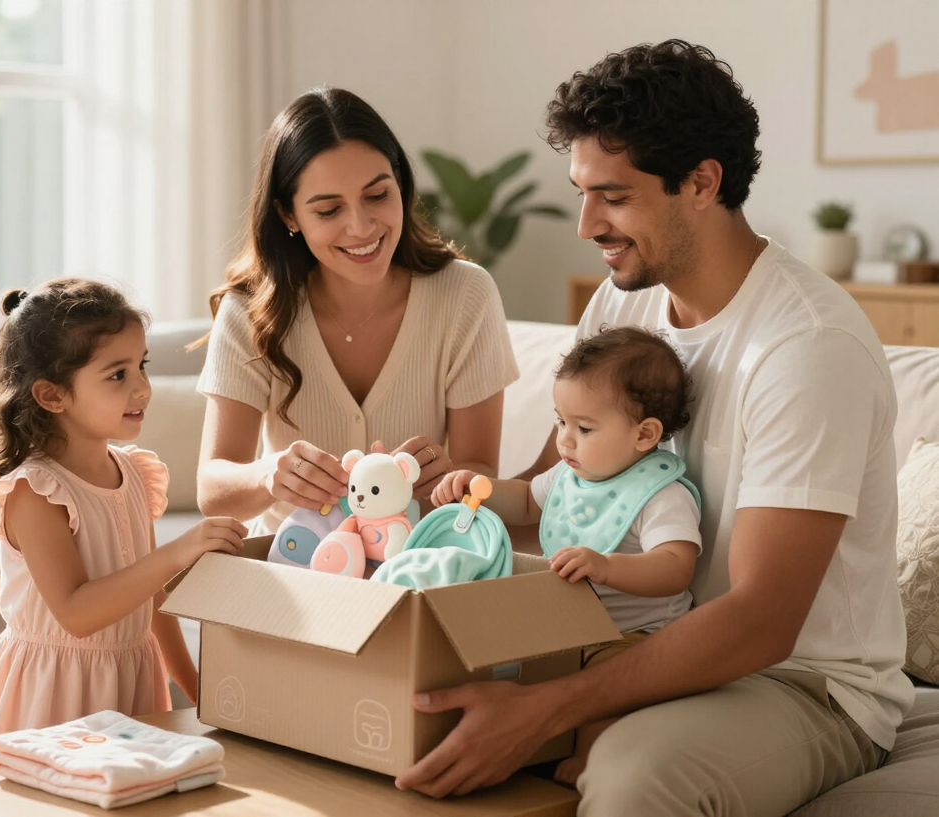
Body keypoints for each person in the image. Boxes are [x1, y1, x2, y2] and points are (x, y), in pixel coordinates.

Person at [396, 40, 915, 816]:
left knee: (636, 776)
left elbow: (763, 620)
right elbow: (558, 489)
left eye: (613, 195)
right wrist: (454, 504)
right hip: (624, 637)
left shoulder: (807, 346)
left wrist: (552, 704)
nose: (584, 224)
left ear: (702, 182)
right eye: (580, 192)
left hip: (799, 682)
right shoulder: (622, 302)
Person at [195, 87, 519, 536]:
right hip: (290, 570)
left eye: (377, 195)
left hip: (413, 567)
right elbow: (212, 490)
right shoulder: (249, 311)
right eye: (328, 209)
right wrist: (269, 475)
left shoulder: (465, 295)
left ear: (401, 185)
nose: (362, 227)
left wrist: (447, 480)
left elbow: (480, 469)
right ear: (289, 216)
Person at [0, 278, 247, 743]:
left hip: (130, 680)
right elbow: (75, 612)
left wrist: (198, 693)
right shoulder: (36, 491)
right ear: (52, 396)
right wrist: (177, 552)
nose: (143, 389)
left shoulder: (135, 475)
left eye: (142, 366)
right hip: (55, 695)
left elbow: (153, 599)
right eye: (118, 375)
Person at [431, 326, 702, 785]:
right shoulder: (569, 475)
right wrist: (475, 489)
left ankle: (591, 756)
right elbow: (525, 504)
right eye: (560, 421)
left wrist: (608, 566)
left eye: (584, 428)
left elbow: (676, 567)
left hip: (634, 637)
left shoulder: (660, 494)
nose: (565, 440)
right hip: (567, 626)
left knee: (609, 684)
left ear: (645, 434)